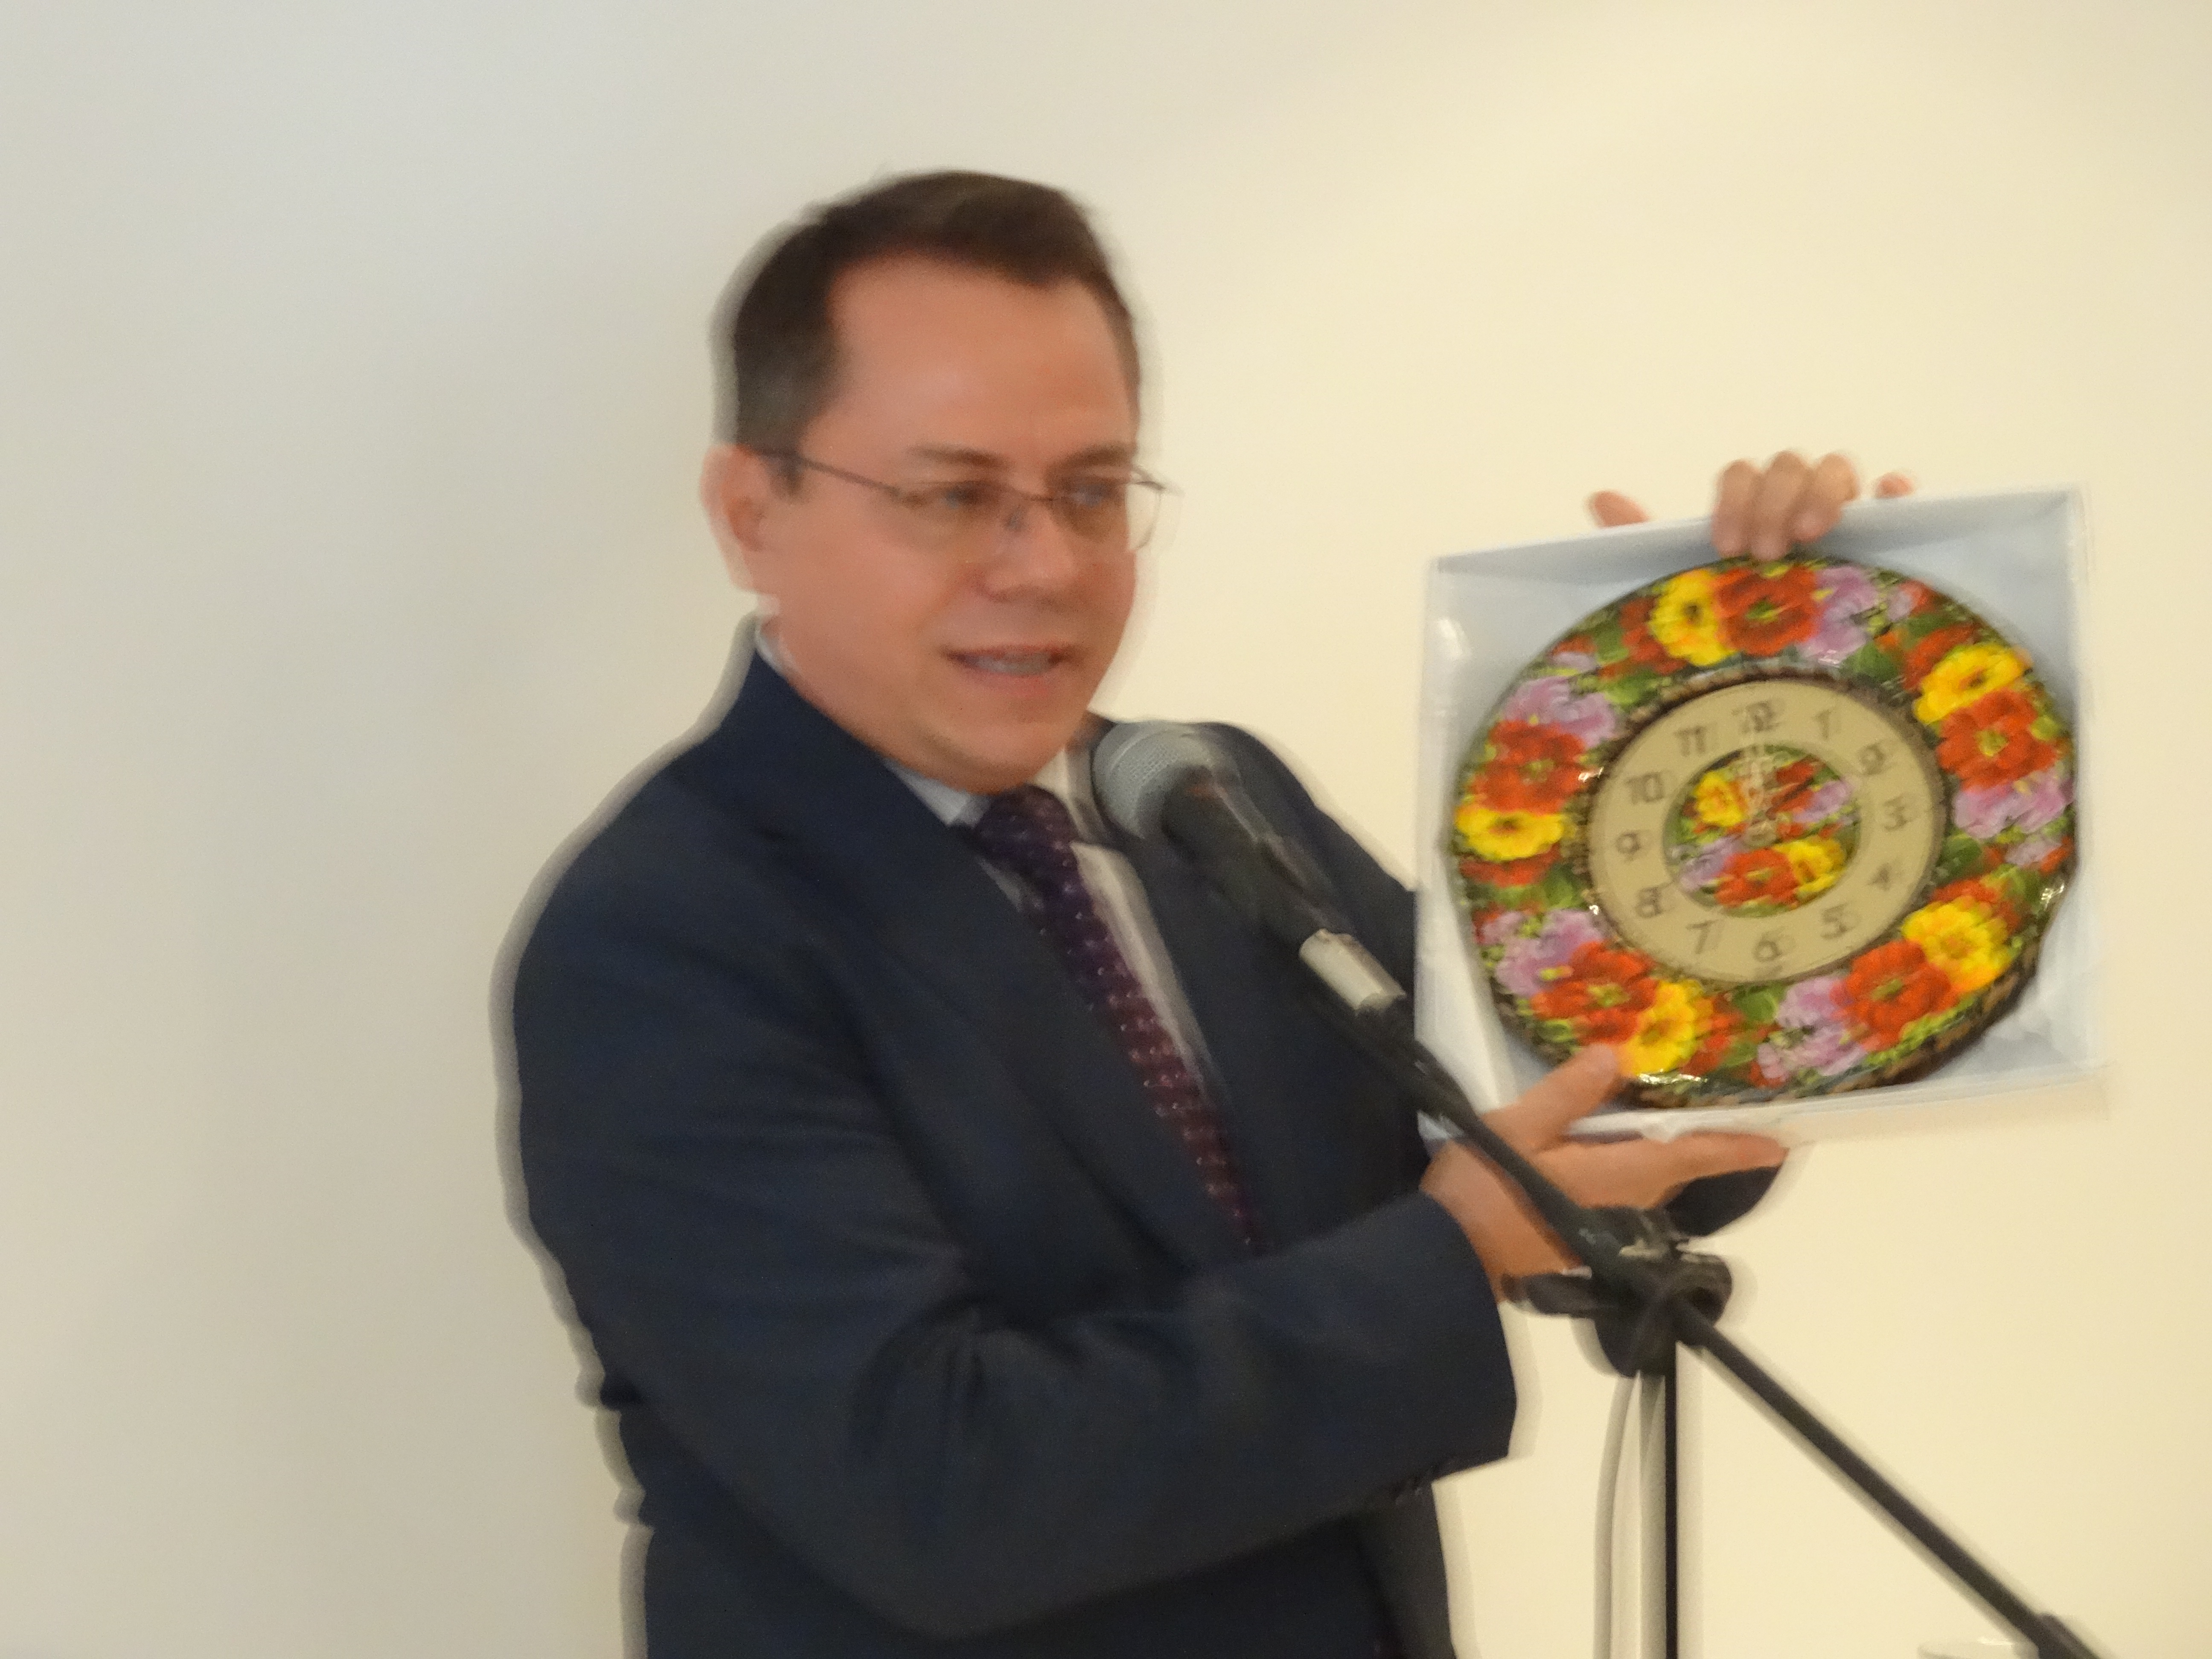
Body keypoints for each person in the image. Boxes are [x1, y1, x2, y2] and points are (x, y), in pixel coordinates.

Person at [507, 169, 1899, 1658]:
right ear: (751, 513)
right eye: (952, 496)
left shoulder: (1208, 805)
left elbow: (1577, 1122)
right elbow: (939, 1491)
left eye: (1091, 492)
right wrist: (1447, 1259)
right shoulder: (664, 940)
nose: (1045, 566)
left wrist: (1744, 713)